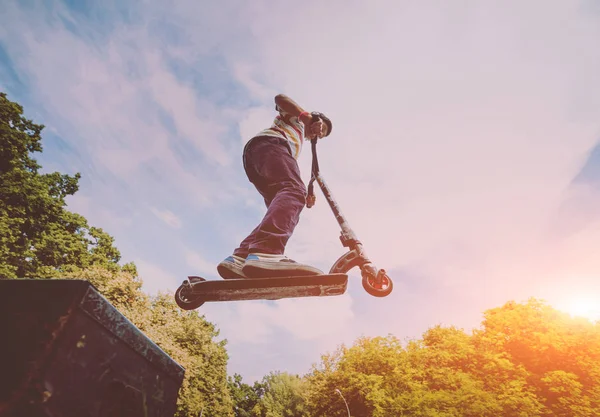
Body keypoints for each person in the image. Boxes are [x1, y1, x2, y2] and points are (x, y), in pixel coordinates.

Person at [217, 94, 332, 279]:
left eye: (322, 134)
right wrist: (307, 117)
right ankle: (266, 252)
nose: (318, 133)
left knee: (284, 208)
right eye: (321, 128)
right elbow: (280, 99)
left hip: (260, 156)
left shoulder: (298, 138)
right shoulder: (298, 119)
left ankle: (240, 258)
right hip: (270, 145)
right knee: (294, 191)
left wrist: (306, 193)